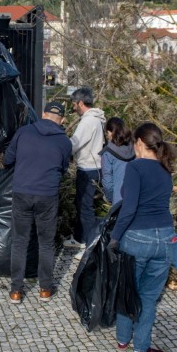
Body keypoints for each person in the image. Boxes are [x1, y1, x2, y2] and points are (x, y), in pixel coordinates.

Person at [109, 122, 177, 352]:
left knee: (128, 289)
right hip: (167, 237)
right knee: (149, 297)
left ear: (139, 142)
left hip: (139, 236)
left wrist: (115, 236)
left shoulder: (135, 168)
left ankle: (122, 338)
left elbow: (129, 209)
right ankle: (141, 349)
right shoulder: (165, 169)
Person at [3, 102, 72, 305]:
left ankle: (16, 290)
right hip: (47, 195)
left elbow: (8, 159)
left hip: (22, 192)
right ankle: (45, 289)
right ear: (62, 120)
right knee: (46, 243)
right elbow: (64, 168)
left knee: (19, 241)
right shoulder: (64, 142)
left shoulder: (24, 132)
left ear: (43, 114)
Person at [68, 87, 106, 249]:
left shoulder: (88, 121)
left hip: (87, 168)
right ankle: (79, 238)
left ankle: (87, 245)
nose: (73, 107)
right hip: (94, 167)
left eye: (74, 104)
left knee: (85, 207)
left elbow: (75, 143)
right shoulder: (97, 119)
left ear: (81, 103)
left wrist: (60, 149)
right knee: (82, 204)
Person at [100, 117, 135, 207]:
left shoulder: (108, 153)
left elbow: (108, 183)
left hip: (119, 200)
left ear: (111, 133)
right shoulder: (135, 147)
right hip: (136, 196)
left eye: (107, 133)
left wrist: (111, 198)